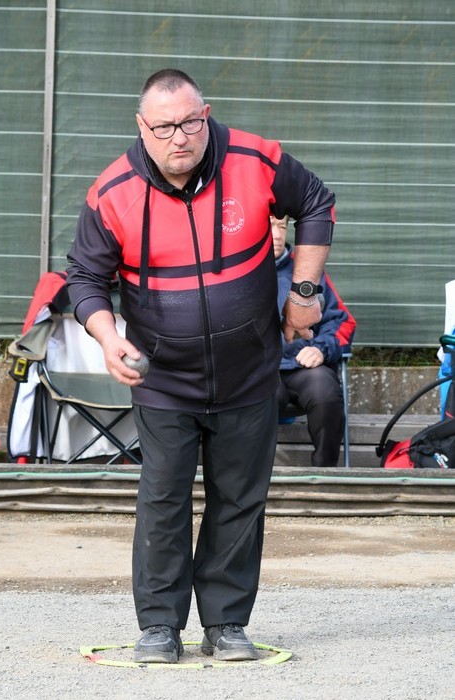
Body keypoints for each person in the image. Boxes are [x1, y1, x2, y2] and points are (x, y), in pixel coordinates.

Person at [66, 68, 335, 664]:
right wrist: (107, 337)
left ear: (206, 115)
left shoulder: (255, 160)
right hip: (163, 378)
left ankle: (227, 624)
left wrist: (304, 292)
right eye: (164, 127)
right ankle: (160, 627)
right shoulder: (112, 192)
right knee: (163, 500)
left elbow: (317, 201)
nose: (180, 138)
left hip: (251, 371)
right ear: (142, 127)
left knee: (239, 499)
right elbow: (84, 276)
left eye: (190, 122)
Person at [272, 215, 356, 467]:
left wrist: (321, 349)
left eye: (282, 227)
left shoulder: (307, 270)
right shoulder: (238, 271)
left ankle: (326, 473)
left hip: (303, 366)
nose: (277, 235)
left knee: (325, 391)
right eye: (269, 227)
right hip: (259, 368)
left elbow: (342, 322)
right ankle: (256, 476)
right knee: (260, 395)